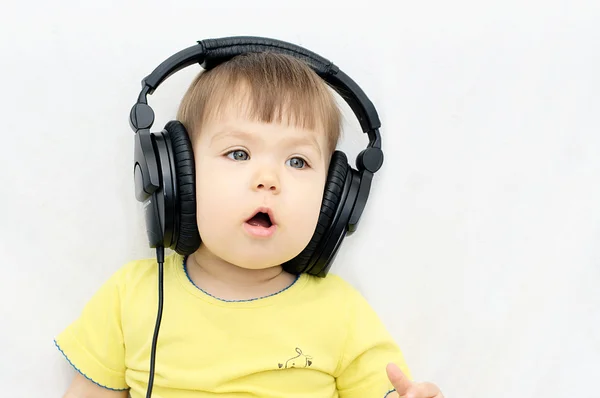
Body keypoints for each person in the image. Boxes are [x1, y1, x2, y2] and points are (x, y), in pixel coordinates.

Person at [56, 43, 445, 398]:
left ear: (335, 200)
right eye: (239, 153)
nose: (268, 179)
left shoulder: (342, 312)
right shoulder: (131, 295)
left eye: (298, 161)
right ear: (177, 175)